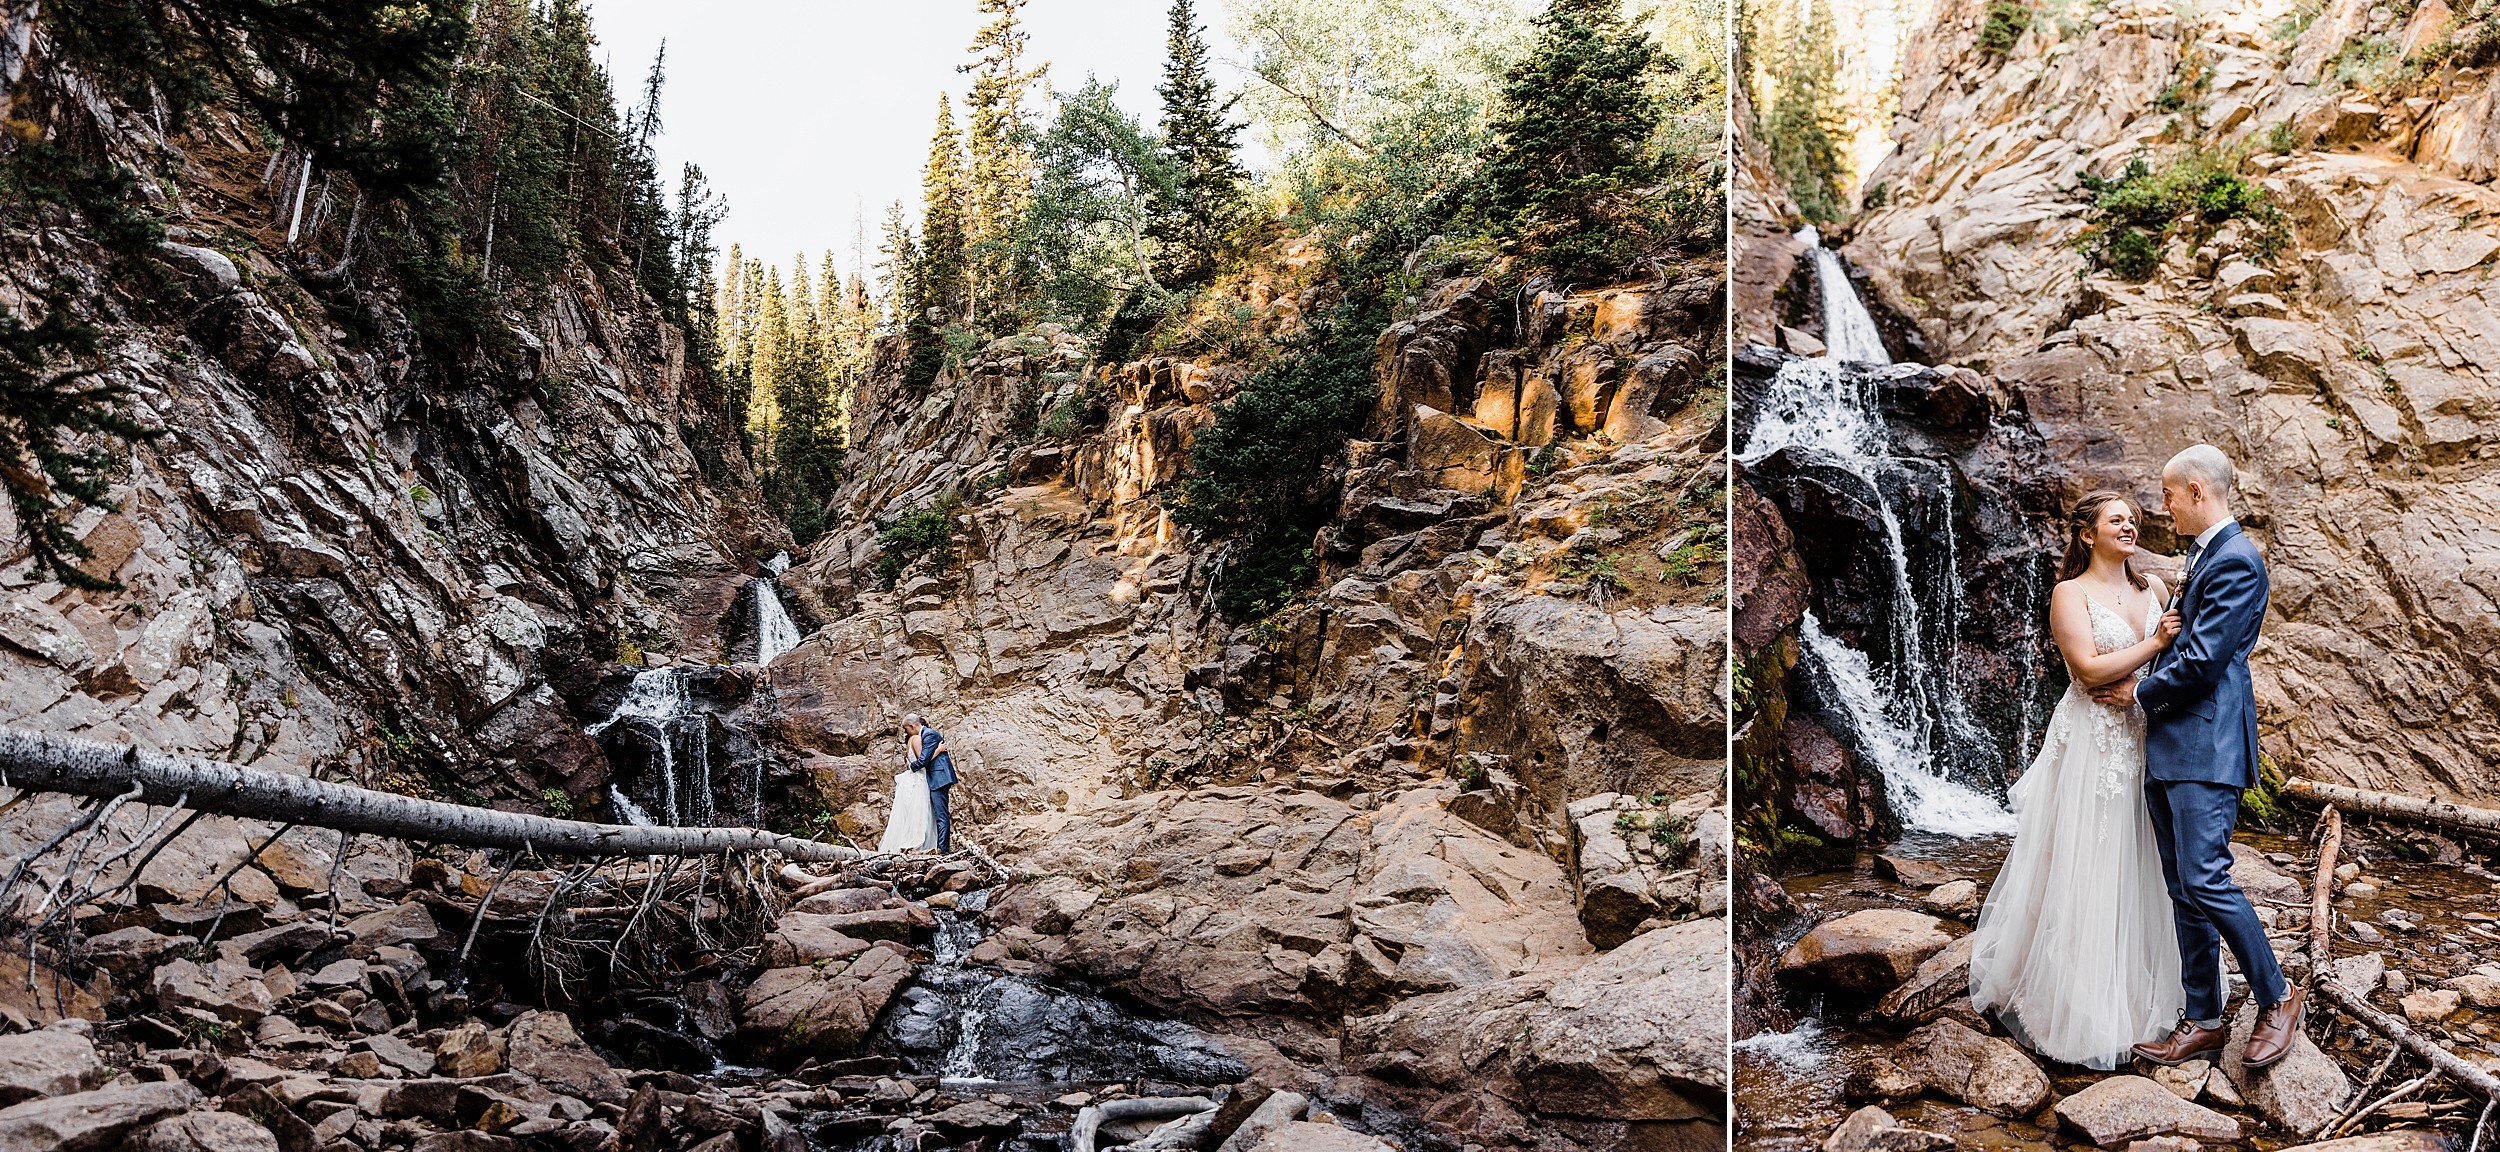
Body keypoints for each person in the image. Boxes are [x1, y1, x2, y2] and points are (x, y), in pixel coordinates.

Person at [2093, 445, 2301, 1070]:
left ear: (2196, 491)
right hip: (2172, 744)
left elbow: (2207, 659)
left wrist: (2137, 692)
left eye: (2168, 495)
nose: (2162, 507)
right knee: (2184, 887)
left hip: (2206, 742)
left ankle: (2278, 995)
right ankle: (2205, 1018)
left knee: (2206, 877)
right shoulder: (2205, 554)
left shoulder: (2236, 560)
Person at [1967, 490, 2185, 1067]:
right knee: (2087, 859)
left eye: (2134, 519)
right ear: (2088, 534)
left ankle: (2143, 997)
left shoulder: (2152, 590)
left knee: (2142, 861)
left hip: (2141, 734)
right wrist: (2155, 642)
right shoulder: (2070, 593)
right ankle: (2072, 1006)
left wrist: (2158, 657)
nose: (2129, 525)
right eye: (2117, 519)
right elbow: (2088, 670)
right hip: (2091, 739)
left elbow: (2169, 667)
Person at [876, 729, 937, 854]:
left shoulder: (909, 741)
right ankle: (915, 844)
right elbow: (923, 760)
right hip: (919, 778)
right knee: (919, 811)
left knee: (909, 812)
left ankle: (905, 842)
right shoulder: (916, 738)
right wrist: (938, 750)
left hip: (911, 778)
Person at [906, 713, 957, 853]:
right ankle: (939, 847)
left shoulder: (928, 734)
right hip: (934, 777)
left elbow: (923, 760)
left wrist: (911, 767)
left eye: (907, 729)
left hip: (939, 778)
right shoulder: (924, 736)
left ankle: (943, 850)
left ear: (912, 725)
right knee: (937, 815)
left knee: (941, 815)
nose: (907, 732)